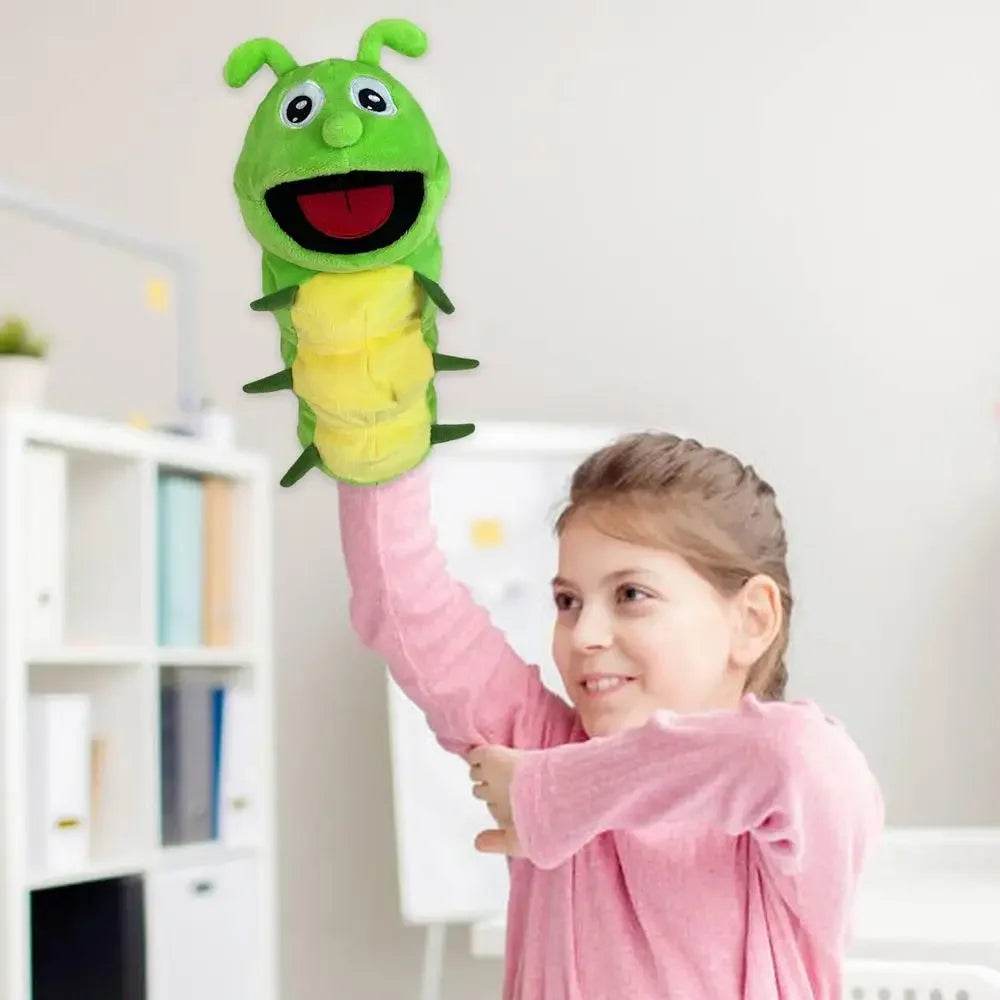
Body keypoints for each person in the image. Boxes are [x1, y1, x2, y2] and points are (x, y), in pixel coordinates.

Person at [337, 429, 884, 1000]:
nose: (585, 635)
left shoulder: (786, 827)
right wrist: (375, 436)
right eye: (568, 602)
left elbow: (795, 754)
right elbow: (404, 604)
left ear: (751, 620)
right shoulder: (540, 747)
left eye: (631, 595)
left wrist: (556, 796)